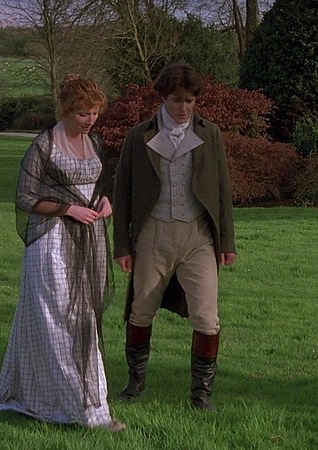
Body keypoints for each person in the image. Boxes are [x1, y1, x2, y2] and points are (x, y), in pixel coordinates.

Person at [0, 74, 125, 432]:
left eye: (95, 113)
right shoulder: (44, 145)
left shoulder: (95, 142)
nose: (90, 120)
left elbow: (100, 184)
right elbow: (25, 197)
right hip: (52, 242)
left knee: (81, 319)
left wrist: (105, 201)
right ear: (66, 110)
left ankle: (56, 395)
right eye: (83, 114)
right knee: (60, 319)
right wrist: (68, 209)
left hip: (89, 240)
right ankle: (88, 411)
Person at [113, 63, 236, 411]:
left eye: (190, 100)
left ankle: (201, 394)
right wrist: (122, 246)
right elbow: (122, 193)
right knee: (141, 311)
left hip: (198, 236)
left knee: (207, 316)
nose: (184, 107)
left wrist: (227, 242)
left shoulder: (210, 134)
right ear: (163, 98)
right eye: (177, 100)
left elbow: (222, 189)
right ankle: (134, 383)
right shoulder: (139, 136)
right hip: (153, 233)